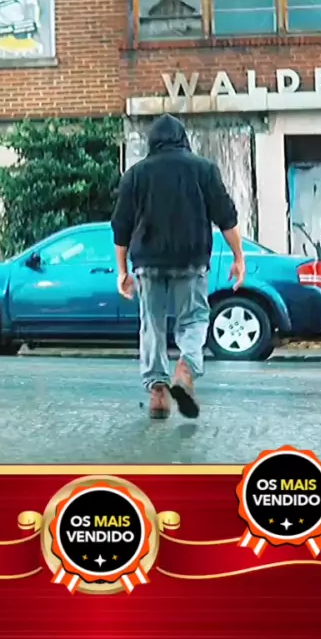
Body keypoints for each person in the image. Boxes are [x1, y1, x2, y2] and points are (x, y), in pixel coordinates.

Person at [111, 113, 245, 420]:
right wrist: (238, 257)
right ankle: (185, 369)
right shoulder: (204, 169)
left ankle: (158, 392)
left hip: (148, 261)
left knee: (152, 324)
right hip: (191, 258)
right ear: (184, 139)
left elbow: (121, 226)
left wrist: (122, 271)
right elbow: (226, 216)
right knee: (194, 318)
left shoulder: (135, 174)